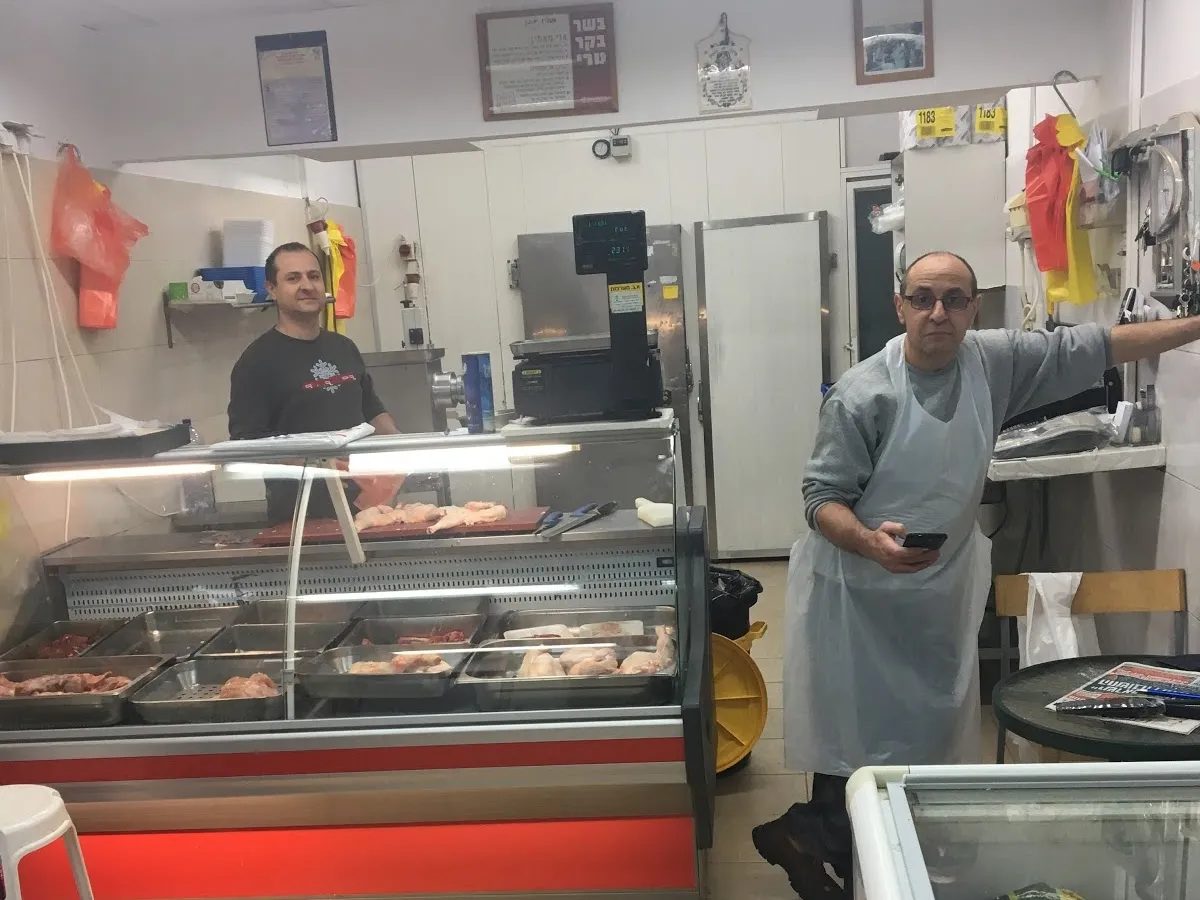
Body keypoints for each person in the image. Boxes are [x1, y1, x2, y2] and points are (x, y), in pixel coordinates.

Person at [753, 250, 1200, 898]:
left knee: (929, 729)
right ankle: (831, 847)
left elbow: (1094, 346)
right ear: (900, 306)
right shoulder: (863, 393)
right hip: (857, 594)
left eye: (954, 299)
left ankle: (890, 854)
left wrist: (1194, 326)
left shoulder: (992, 363)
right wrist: (870, 543)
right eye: (923, 298)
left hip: (937, 590)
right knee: (858, 733)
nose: (938, 312)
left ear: (974, 309)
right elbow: (821, 499)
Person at [228, 241, 399, 524]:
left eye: (314, 276)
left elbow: (373, 411)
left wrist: (401, 450)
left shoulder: (343, 347)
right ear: (272, 289)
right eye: (293, 278)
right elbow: (247, 446)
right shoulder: (257, 362)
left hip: (368, 509)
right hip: (302, 518)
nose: (307, 286)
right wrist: (321, 467)